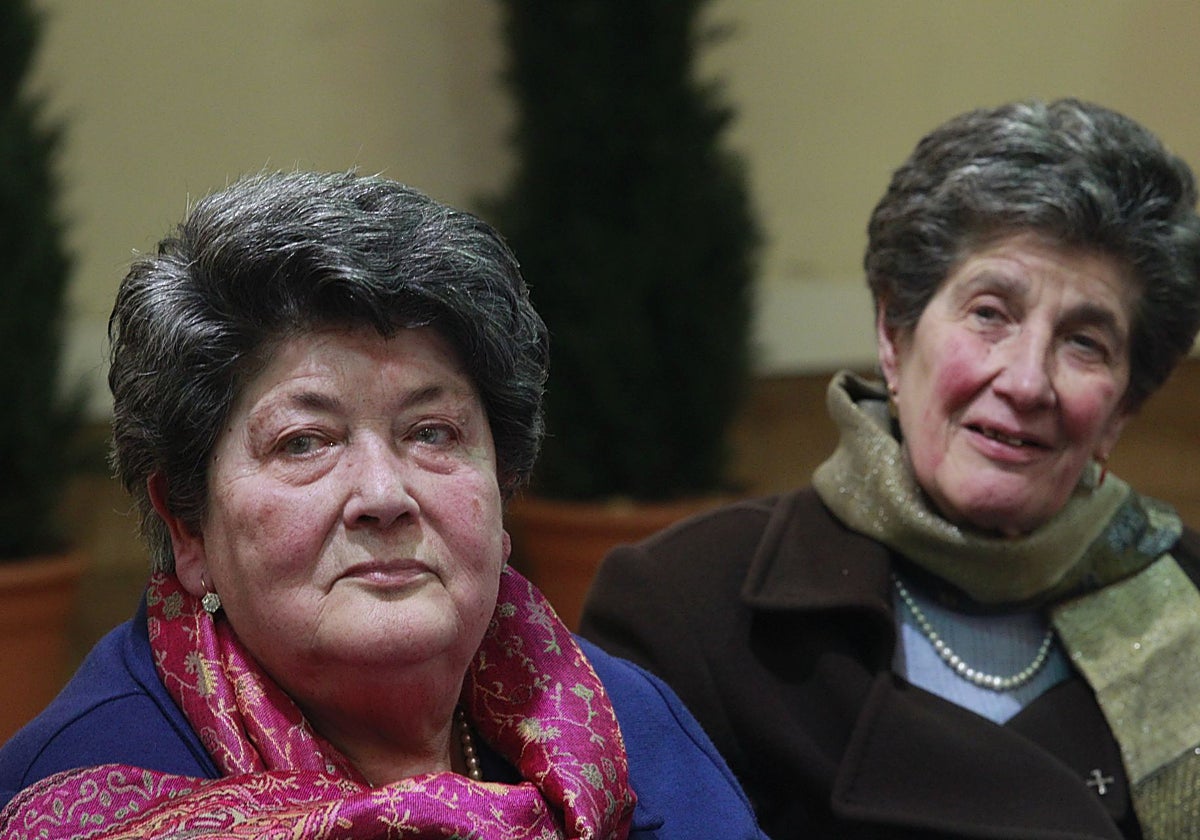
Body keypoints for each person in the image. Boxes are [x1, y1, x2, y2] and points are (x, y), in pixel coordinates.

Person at [0, 171, 766, 839]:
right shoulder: (85, 787)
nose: (383, 494)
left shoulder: (618, 719)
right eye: (305, 442)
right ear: (187, 526)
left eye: (432, 432)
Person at [580, 98, 1200, 839]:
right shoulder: (687, 610)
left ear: (1121, 410)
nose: (1028, 381)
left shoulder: (1186, 600)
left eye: (1086, 342)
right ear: (893, 334)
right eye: (990, 313)